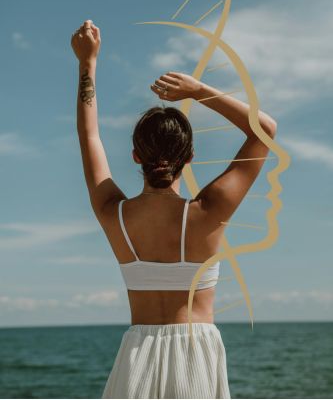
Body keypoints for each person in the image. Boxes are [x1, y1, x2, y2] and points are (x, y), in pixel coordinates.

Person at [71, 20, 277, 399]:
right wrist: (198, 91)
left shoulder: (112, 212)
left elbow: (90, 136)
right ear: (191, 158)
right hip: (196, 359)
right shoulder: (210, 211)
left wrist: (88, 62)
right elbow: (264, 129)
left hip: (136, 357)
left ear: (135, 156)